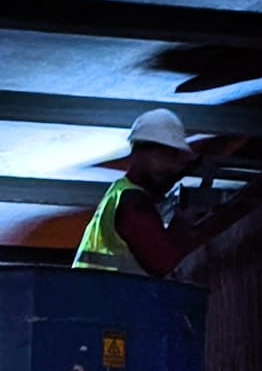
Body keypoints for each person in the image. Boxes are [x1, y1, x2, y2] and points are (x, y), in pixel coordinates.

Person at [73, 108, 205, 279]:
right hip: (111, 294)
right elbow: (162, 262)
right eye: (163, 156)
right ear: (138, 153)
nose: (169, 167)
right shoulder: (133, 202)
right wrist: (182, 227)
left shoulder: (121, 192)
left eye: (173, 158)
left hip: (99, 292)